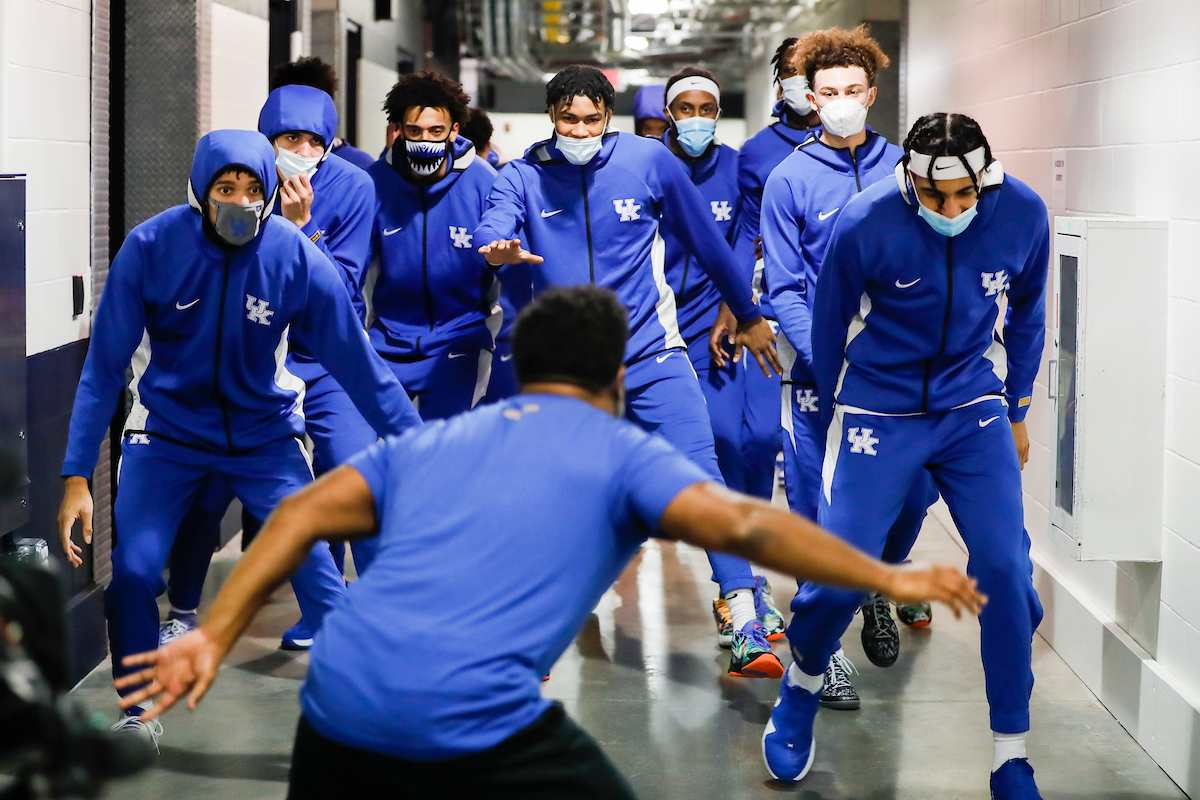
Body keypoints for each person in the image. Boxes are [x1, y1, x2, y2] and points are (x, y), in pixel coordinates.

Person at [114, 286, 986, 800]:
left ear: (523, 369)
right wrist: (884, 574)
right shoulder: (622, 453)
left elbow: (300, 512)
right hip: (470, 726)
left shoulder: (432, 442)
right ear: (615, 377)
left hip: (335, 716)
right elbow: (751, 523)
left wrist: (210, 634)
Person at [56, 130, 420, 747]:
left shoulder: (294, 256)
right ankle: (137, 715)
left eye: (255, 189)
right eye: (226, 188)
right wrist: (74, 477)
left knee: (318, 576)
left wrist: (424, 451)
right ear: (200, 190)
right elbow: (101, 371)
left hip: (266, 439)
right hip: (165, 437)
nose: (241, 201)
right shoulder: (150, 247)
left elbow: (361, 366)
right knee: (135, 576)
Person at [761, 113, 1047, 800]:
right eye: (932, 193)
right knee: (838, 580)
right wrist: (826, 416)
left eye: (964, 196)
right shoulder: (865, 221)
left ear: (985, 178)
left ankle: (1012, 756)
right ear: (909, 177)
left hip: (969, 408)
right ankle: (801, 687)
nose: (950, 210)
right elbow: (827, 328)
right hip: (876, 410)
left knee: (1006, 572)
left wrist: (1018, 408)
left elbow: (1030, 312)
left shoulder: (1022, 212)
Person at [475, 65, 786, 677]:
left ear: (608, 118)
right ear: (551, 117)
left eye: (593, 119)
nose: (581, 130)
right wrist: (498, 247)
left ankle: (746, 618)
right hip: (570, 373)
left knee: (702, 481)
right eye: (569, 119)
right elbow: (495, 221)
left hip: (652, 355)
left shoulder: (647, 161)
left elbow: (709, 243)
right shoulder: (523, 174)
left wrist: (748, 313)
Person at [161, 83, 399, 653]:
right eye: (286, 138)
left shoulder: (355, 185)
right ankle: (183, 608)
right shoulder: (238, 180)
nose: (298, 149)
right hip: (256, 359)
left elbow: (340, 290)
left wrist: (300, 227)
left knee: (352, 471)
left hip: (323, 362)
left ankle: (376, 608)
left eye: (311, 140)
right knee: (211, 484)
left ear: (329, 143)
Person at [760, 25, 937, 710]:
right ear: (809, 96)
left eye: (851, 91)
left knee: (914, 497)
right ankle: (823, 651)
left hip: (905, 379)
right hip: (818, 379)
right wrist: (827, 361)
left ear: (872, 93)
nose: (839, 101)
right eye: (826, 92)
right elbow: (783, 289)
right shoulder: (789, 180)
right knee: (814, 509)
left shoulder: (911, 171)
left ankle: (877, 582)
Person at [653, 65, 787, 646]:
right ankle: (742, 591)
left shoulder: (739, 168)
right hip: (668, 326)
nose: (698, 118)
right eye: (686, 107)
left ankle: (747, 576)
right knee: (720, 441)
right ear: (668, 114)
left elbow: (746, 236)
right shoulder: (644, 167)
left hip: (732, 317)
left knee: (761, 442)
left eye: (708, 108)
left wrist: (734, 310)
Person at [368, 72, 500, 419]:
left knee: (447, 455)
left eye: (436, 131)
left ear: (454, 130)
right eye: (414, 131)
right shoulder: (375, 182)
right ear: (399, 129)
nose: (425, 140)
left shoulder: (484, 182)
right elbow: (351, 272)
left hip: (460, 341)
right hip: (386, 344)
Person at [268, 56, 377, 171]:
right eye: (293, 138)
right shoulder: (261, 164)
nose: (304, 153)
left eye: (315, 141)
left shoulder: (358, 164)